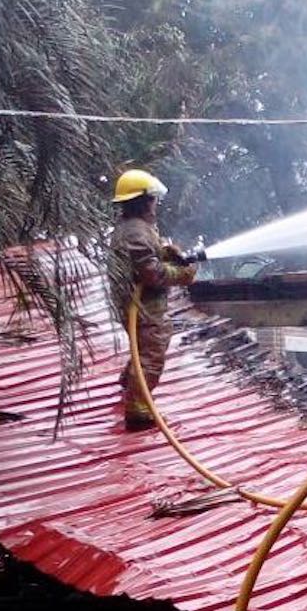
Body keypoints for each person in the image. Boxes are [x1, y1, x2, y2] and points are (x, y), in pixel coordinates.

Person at [108, 169, 196, 431]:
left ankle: (130, 382)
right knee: (152, 351)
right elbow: (151, 273)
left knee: (144, 346)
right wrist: (183, 273)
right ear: (144, 200)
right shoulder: (135, 232)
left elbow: (146, 258)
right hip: (143, 306)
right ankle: (139, 409)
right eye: (153, 198)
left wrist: (165, 252)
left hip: (138, 304)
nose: (156, 203)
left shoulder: (135, 227)